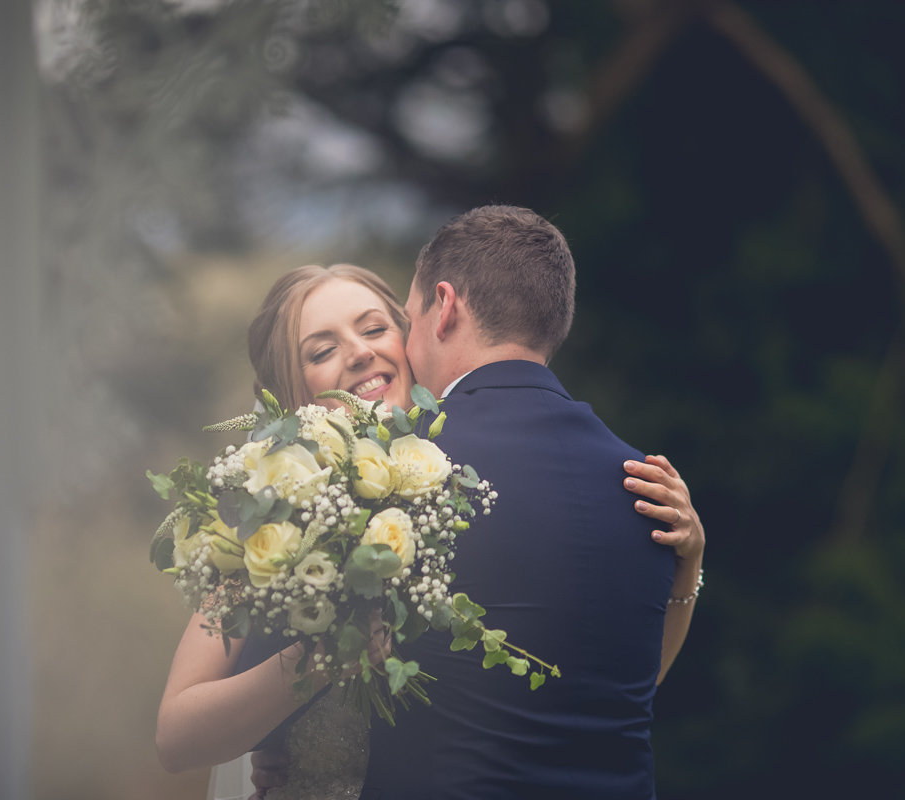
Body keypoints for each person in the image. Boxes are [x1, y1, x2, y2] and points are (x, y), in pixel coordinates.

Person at [155, 260, 704, 799]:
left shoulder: (465, 491)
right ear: (291, 388)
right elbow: (176, 737)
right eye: (322, 351)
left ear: (412, 339)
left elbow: (601, 686)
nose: (359, 351)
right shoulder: (276, 519)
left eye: (374, 328)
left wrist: (686, 566)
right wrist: (320, 660)